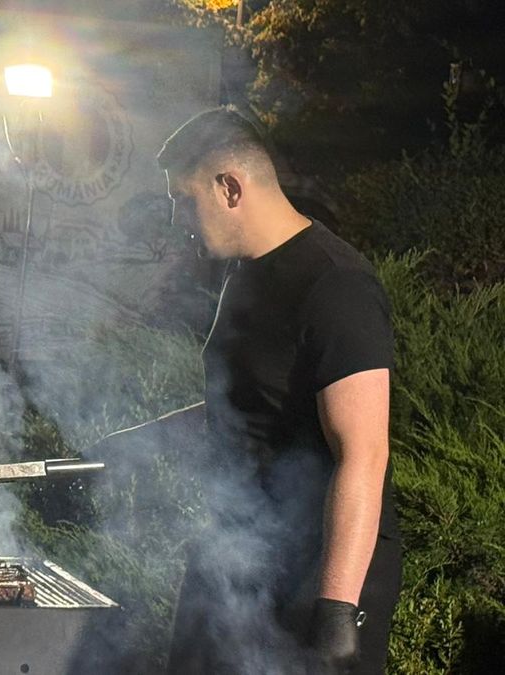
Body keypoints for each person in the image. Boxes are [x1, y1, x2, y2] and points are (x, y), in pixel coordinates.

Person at [89, 107, 400, 674]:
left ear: (229, 187)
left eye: (185, 200)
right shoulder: (244, 273)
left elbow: (365, 453)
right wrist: (133, 442)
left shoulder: (336, 284)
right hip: (241, 547)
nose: (180, 220)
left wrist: (334, 611)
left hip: (318, 566)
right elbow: (245, 406)